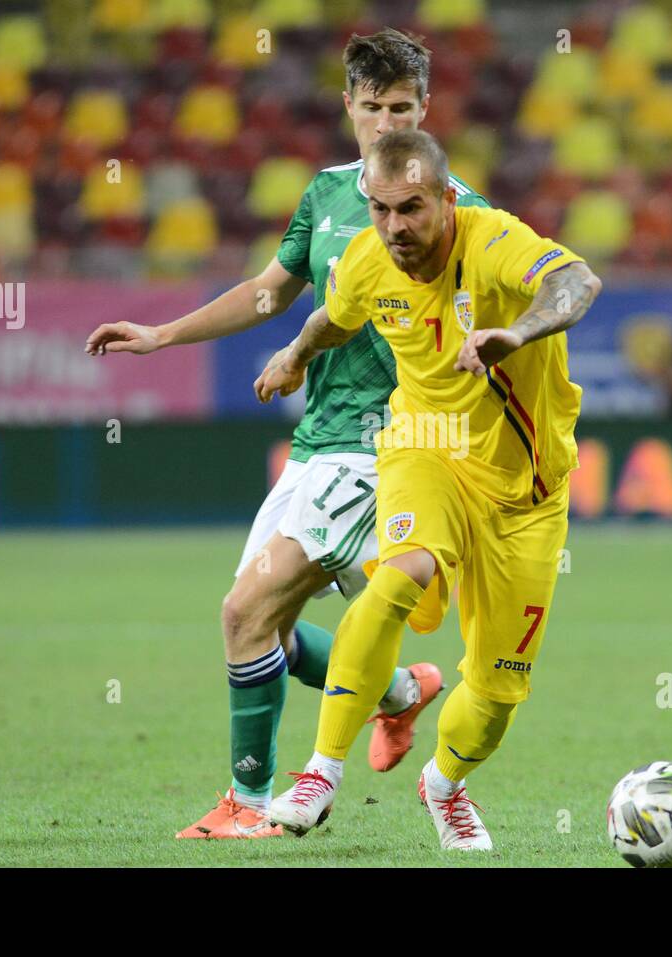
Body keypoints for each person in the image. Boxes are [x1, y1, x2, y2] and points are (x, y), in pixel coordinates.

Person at [85, 29, 490, 839]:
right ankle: (400, 694)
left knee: (248, 609)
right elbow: (271, 294)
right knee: (248, 622)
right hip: (317, 440)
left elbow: (482, 327)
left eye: (401, 107)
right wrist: (163, 334)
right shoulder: (328, 195)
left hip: (388, 445)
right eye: (371, 108)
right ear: (348, 107)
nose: (384, 123)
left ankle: (250, 804)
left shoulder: (459, 211)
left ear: (426, 110)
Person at [253, 129, 602, 850]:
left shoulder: (494, 240)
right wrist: (293, 354)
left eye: (410, 208)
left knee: (499, 689)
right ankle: (320, 772)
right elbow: (333, 316)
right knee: (399, 575)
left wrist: (521, 330)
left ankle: (444, 785)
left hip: (525, 490)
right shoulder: (366, 260)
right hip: (426, 449)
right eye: (380, 210)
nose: (394, 227)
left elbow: (578, 283)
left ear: (447, 197)